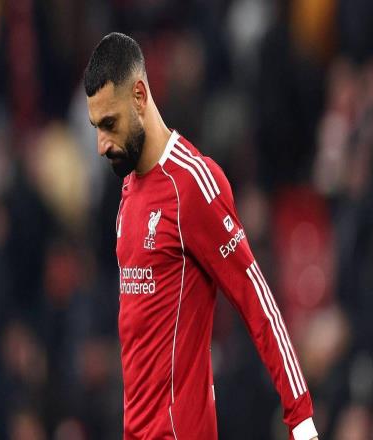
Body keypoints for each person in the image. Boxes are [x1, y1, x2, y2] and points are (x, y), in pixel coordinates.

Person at [84, 32, 319, 440]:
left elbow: (256, 299)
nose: (101, 144)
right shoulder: (127, 192)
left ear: (139, 96)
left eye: (109, 124)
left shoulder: (192, 184)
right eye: (95, 127)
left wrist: (301, 419)